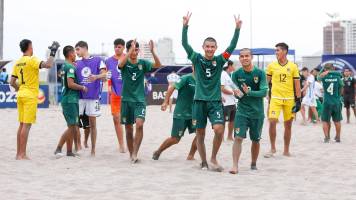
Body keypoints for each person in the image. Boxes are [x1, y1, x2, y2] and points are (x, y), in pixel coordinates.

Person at [181, 12, 241, 171]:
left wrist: (237, 29)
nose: (209, 49)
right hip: (199, 101)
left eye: (212, 47)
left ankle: (213, 157)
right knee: (200, 133)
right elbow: (185, 44)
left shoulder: (220, 60)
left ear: (216, 48)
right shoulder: (196, 58)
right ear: (203, 47)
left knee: (219, 129)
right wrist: (185, 27)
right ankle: (203, 161)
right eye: (207, 46)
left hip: (215, 102)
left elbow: (232, 47)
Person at [10, 39, 60, 160]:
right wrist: (53, 52)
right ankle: (22, 154)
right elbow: (48, 65)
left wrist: (19, 89)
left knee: (21, 124)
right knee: (26, 126)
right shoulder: (32, 59)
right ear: (30, 47)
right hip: (30, 95)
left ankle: (18, 154)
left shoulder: (18, 62)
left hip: (21, 94)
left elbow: (12, 82)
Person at [119, 40, 162, 163]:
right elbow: (120, 64)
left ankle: (135, 154)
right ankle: (131, 153)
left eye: (136, 49)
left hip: (139, 100)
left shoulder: (143, 63)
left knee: (139, 124)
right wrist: (129, 52)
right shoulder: (124, 62)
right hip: (126, 100)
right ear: (127, 51)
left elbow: (158, 65)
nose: (134, 52)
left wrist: (152, 51)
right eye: (132, 49)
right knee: (128, 129)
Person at [229, 48, 268, 174]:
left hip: (257, 112)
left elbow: (264, 92)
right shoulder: (236, 74)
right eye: (242, 56)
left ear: (251, 57)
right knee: (238, 138)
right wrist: (237, 94)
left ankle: (253, 163)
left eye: (247, 56)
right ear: (239, 59)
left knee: (256, 140)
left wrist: (249, 92)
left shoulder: (260, 73)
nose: (244, 58)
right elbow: (237, 95)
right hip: (242, 111)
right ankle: (235, 165)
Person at [265, 42, 301, 158]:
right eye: (275, 51)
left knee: (288, 125)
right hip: (275, 98)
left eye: (278, 50)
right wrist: (267, 94)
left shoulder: (293, 66)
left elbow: (297, 84)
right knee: (272, 122)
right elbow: (266, 83)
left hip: (289, 99)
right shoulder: (271, 66)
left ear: (285, 51)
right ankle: (272, 148)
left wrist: (298, 100)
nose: (276, 53)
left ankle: (286, 150)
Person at [152, 69, 197, 161]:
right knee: (175, 139)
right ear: (193, 66)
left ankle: (191, 155)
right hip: (181, 113)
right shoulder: (185, 78)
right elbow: (172, 87)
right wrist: (165, 102)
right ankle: (158, 151)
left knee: (200, 134)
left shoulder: (202, 80)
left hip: (194, 113)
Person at [75, 41, 108, 156]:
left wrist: (96, 77)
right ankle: (78, 146)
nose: (76, 52)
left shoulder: (98, 60)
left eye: (78, 49)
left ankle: (93, 150)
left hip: (93, 96)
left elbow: (105, 75)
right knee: (75, 123)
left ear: (84, 48)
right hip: (79, 96)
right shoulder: (77, 63)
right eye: (75, 50)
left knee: (92, 124)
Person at [54, 45, 88, 157]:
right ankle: (58, 148)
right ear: (70, 54)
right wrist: (82, 87)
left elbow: (64, 77)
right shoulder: (70, 67)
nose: (75, 55)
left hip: (67, 99)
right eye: (74, 52)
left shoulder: (64, 66)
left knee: (72, 126)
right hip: (70, 99)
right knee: (73, 126)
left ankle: (69, 151)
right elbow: (70, 84)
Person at [106, 38, 126, 153]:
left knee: (128, 120)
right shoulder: (109, 61)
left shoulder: (127, 58)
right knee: (116, 118)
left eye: (119, 47)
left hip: (127, 93)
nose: (117, 48)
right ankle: (121, 144)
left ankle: (128, 141)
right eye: (115, 46)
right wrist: (108, 85)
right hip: (115, 92)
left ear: (123, 47)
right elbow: (108, 74)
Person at [319, 64, 344, 142]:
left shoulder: (323, 76)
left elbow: (318, 77)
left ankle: (327, 137)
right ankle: (338, 137)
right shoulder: (338, 77)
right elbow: (341, 87)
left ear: (325, 69)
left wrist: (323, 70)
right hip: (336, 101)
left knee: (325, 121)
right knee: (337, 121)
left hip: (327, 101)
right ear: (333, 68)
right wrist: (339, 96)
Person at [221, 60, 236, 141]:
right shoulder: (222, 74)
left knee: (232, 120)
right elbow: (222, 88)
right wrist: (233, 92)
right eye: (233, 65)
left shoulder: (229, 75)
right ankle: (221, 137)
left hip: (232, 101)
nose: (234, 67)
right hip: (225, 102)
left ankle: (229, 136)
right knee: (223, 121)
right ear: (229, 66)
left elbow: (232, 87)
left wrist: (238, 93)